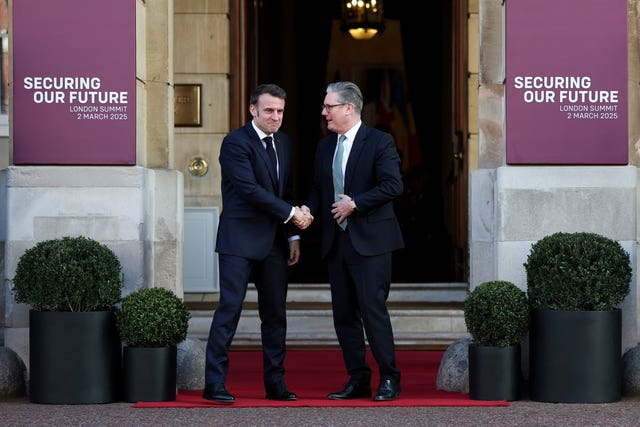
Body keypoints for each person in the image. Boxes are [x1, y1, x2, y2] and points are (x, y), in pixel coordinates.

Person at [203, 83, 312, 404]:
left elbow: (285, 189)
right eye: (269, 111)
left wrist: (292, 234)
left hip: (276, 243)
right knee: (229, 310)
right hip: (239, 240)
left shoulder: (285, 143)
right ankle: (214, 383)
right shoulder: (235, 143)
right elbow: (249, 190)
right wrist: (294, 215)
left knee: (276, 315)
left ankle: (275, 384)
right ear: (253, 110)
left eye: (280, 111)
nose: (275, 117)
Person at [302, 81, 405, 401]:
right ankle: (358, 378)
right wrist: (307, 210)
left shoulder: (379, 141)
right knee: (344, 314)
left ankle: (389, 377)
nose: (323, 113)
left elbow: (393, 186)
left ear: (349, 108)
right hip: (338, 243)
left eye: (328, 107)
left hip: (371, 241)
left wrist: (355, 203)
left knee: (372, 310)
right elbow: (321, 190)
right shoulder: (325, 146)